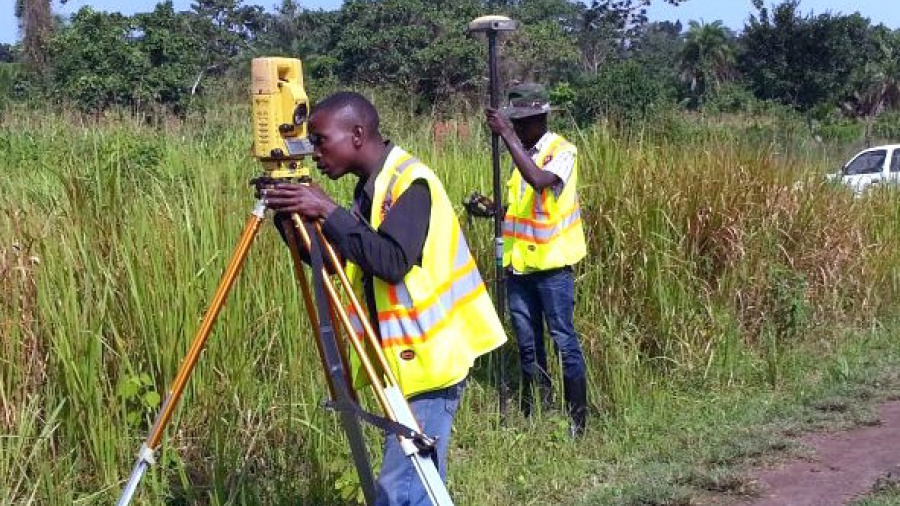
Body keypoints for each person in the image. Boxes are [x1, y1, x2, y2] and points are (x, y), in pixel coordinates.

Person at [262, 91, 507, 506]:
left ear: (357, 134)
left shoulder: (410, 183)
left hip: (430, 364)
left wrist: (327, 209)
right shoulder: (370, 189)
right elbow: (336, 260)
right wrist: (291, 219)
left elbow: (392, 261)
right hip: (398, 365)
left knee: (400, 493)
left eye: (321, 140)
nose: (315, 152)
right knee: (418, 489)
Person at [484, 83, 588, 437]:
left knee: (563, 341)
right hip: (519, 269)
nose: (521, 130)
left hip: (553, 270)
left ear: (539, 118)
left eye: (523, 124)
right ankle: (536, 411)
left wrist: (508, 136)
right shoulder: (522, 157)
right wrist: (492, 210)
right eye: (517, 124)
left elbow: (541, 181)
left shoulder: (563, 152)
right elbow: (521, 210)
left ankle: (577, 420)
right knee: (528, 345)